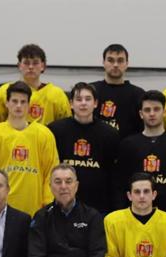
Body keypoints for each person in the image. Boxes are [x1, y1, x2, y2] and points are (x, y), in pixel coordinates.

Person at [0, 81, 59, 217]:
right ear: (6, 103)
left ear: (29, 105)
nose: (18, 106)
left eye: (23, 102)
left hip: (34, 214)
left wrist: (47, 211)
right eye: (14, 101)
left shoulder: (44, 135)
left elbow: (50, 176)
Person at [114, 90, 166, 215]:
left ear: (164, 112)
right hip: (135, 214)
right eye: (147, 110)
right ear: (141, 114)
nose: (152, 114)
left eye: (156, 109)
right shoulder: (128, 144)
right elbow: (120, 183)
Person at [48, 82, 120, 213]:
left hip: (98, 206)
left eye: (88, 99)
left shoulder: (110, 134)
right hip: (62, 204)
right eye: (78, 99)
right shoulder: (55, 130)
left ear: (95, 103)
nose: (83, 103)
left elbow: (113, 174)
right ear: (71, 104)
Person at [0, 44, 71, 127]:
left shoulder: (57, 94)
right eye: (26, 63)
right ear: (19, 65)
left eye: (35, 63)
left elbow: (65, 127)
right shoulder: (5, 91)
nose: (31, 67)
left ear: (43, 66)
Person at [91, 43, 146, 139]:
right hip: (96, 150)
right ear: (103, 62)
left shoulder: (139, 95)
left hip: (127, 151)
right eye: (110, 60)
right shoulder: (91, 91)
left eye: (120, 60)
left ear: (127, 64)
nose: (115, 65)